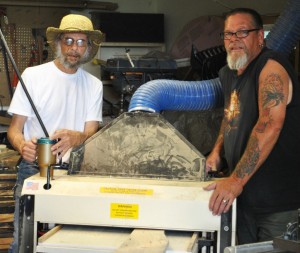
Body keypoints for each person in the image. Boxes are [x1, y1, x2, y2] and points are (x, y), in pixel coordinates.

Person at [7, 14, 103, 252]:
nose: (74, 48)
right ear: (59, 42)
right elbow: (14, 131)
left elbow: (92, 132)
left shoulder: (94, 85)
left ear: (89, 48)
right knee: (24, 241)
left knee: (70, 242)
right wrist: (22, 147)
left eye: (81, 42)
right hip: (34, 169)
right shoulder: (33, 76)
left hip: (76, 172)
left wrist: (76, 137)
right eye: (69, 40)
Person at [204, 8, 300, 244]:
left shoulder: (271, 68)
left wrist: (235, 181)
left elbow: (270, 125)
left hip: (277, 203)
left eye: (242, 32)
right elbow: (230, 114)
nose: (234, 39)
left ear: (260, 37)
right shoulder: (228, 73)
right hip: (244, 198)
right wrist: (217, 150)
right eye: (228, 34)